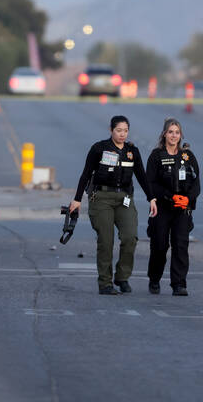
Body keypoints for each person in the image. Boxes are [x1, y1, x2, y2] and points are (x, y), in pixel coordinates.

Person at [69, 115, 157, 295]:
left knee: (130, 237)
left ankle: (122, 277)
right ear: (111, 130)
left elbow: (141, 176)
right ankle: (105, 283)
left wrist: (152, 198)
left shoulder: (132, 151)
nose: (122, 134)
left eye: (125, 130)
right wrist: (77, 199)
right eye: (119, 130)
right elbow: (86, 174)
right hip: (102, 198)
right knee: (106, 241)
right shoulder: (99, 148)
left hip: (124, 198)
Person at [145, 117, 200, 296]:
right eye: (170, 132)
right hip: (162, 207)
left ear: (181, 135)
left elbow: (196, 182)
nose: (174, 135)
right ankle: (154, 279)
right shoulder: (156, 155)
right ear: (164, 134)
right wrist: (169, 196)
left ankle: (179, 284)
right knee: (160, 245)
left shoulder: (187, 156)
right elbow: (150, 183)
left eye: (177, 132)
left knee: (180, 245)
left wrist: (188, 200)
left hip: (182, 209)